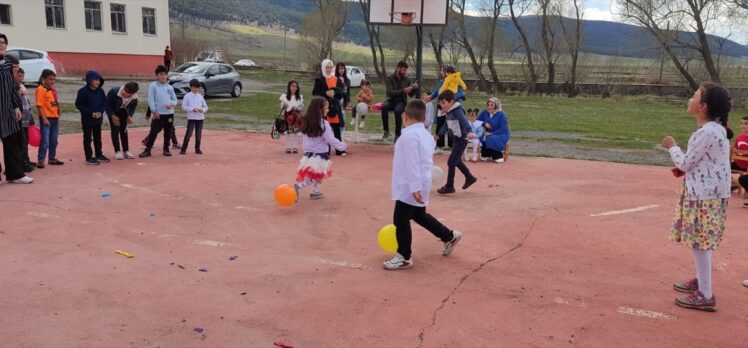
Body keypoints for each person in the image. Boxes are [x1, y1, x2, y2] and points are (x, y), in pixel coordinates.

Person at [663, 83, 732, 312]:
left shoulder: (707, 132)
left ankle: (706, 294)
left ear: (702, 106)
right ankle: (701, 282)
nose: (690, 98)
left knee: (700, 243)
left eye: (694, 96)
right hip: (708, 194)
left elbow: (685, 161)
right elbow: (704, 162)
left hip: (704, 197)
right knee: (701, 242)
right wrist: (686, 170)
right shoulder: (715, 129)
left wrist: (672, 147)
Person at [384, 99, 463, 270]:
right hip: (421, 182)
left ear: (405, 117)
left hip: (411, 185)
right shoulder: (426, 135)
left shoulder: (408, 136)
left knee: (400, 219)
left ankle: (404, 256)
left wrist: (414, 188)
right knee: (419, 215)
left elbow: (412, 163)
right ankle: (449, 236)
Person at [293, 96, 347, 200]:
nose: (328, 110)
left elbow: (304, 138)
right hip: (319, 154)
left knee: (316, 174)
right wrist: (342, 146)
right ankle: (298, 187)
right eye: (326, 108)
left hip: (309, 153)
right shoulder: (324, 124)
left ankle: (315, 191)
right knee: (317, 175)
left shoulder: (306, 122)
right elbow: (331, 139)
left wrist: (306, 150)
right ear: (320, 110)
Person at [0, 35, 33, 184]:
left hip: (7, 111)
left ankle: (15, 174)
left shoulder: (7, 64)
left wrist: (16, 106)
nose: (2, 45)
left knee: (11, 142)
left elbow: (12, 87)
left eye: (4, 42)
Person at [434, 90, 477, 195]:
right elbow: (446, 124)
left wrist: (470, 131)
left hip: (461, 140)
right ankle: (469, 177)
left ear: (452, 102)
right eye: (440, 103)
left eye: (444, 103)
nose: (441, 105)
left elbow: (464, 121)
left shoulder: (457, 111)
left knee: (451, 162)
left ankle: (450, 186)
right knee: (456, 161)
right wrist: (439, 135)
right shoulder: (449, 111)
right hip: (456, 140)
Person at [425, 66, 465, 154]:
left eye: (443, 71)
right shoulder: (441, 82)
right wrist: (430, 97)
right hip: (441, 107)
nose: (441, 72)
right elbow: (436, 92)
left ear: (448, 72)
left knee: (452, 125)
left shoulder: (456, 82)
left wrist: (450, 100)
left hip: (452, 106)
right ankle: (439, 146)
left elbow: (461, 93)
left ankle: (452, 146)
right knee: (440, 124)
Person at [140, 65, 178, 158]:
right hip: (158, 114)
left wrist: (172, 104)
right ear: (157, 75)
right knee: (153, 132)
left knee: (168, 132)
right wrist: (154, 111)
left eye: (165, 74)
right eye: (161, 74)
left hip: (169, 114)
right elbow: (150, 100)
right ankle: (147, 150)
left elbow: (175, 100)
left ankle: (166, 149)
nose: (163, 76)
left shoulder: (170, 87)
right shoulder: (153, 86)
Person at [312, 59, 347, 156]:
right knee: (325, 130)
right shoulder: (319, 80)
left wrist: (335, 93)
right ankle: (325, 149)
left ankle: (339, 150)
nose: (329, 69)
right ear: (323, 68)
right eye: (327, 67)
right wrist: (325, 93)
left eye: (330, 67)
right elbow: (315, 93)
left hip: (335, 108)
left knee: (336, 130)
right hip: (323, 108)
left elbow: (341, 94)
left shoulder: (338, 80)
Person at [75, 71, 110, 165]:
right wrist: (91, 113)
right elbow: (79, 105)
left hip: (98, 119)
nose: (98, 82)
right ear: (89, 80)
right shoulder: (83, 91)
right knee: (87, 138)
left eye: (99, 79)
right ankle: (89, 157)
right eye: (95, 79)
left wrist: (100, 112)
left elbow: (104, 103)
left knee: (98, 138)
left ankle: (99, 155)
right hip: (87, 120)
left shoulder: (101, 91)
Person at [381, 61, 418, 142]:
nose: (405, 72)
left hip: (402, 101)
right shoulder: (390, 78)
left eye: (406, 70)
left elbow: (411, 95)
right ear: (398, 68)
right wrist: (403, 90)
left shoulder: (408, 80)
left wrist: (414, 88)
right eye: (403, 70)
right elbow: (390, 92)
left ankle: (398, 134)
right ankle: (386, 131)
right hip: (391, 100)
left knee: (397, 111)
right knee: (384, 106)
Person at [35, 69, 64, 168]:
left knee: (54, 140)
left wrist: (58, 113)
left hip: (55, 118)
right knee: (45, 140)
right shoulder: (40, 89)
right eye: (50, 79)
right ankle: (41, 160)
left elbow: (54, 103)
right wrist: (44, 119)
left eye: (54, 79)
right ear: (44, 79)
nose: (52, 81)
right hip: (46, 118)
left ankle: (52, 158)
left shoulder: (53, 90)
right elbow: (39, 105)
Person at [106, 82, 139, 160]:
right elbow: (107, 105)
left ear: (132, 94)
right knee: (115, 130)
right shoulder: (114, 92)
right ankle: (117, 151)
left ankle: (126, 151)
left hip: (124, 112)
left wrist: (130, 115)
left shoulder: (134, 98)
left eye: (127, 92)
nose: (124, 92)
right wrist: (112, 116)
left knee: (124, 130)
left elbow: (133, 107)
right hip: (113, 112)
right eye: (124, 89)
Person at [13, 67, 36, 171]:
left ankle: (26, 159)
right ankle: (22, 163)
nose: (21, 78)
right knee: (21, 140)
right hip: (19, 116)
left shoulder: (21, 85)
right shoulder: (13, 87)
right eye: (19, 76)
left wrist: (30, 117)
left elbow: (27, 102)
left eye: (22, 76)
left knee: (25, 139)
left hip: (26, 115)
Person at [478, 97, 510, 163]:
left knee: (491, 138)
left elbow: (502, 128)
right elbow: (478, 120)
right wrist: (484, 123)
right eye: (488, 105)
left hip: (502, 133)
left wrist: (491, 133)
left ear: (496, 105)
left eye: (492, 105)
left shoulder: (502, 114)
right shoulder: (485, 112)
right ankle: (486, 154)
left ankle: (498, 156)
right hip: (489, 133)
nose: (489, 107)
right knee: (483, 136)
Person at [180, 79, 208, 155]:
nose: (197, 89)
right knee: (189, 134)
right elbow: (184, 107)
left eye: (198, 88)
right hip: (191, 118)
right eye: (195, 87)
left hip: (200, 118)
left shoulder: (200, 97)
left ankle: (197, 148)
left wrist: (202, 110)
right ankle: (183, 149)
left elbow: (205, 107)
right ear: (191, 87)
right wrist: (192, 109)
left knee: (198, 134)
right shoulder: (187, 96)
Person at [280, 80, 304, 154]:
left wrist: (297, 108)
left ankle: (295, 147)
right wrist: (284, 105)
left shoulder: (299, 97)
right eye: (293, 86)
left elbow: (302, 107)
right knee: (288, 131)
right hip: (288, 115)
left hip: (296, 116)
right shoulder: (284, 96)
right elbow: (281, 107)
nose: (294, 88)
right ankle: (287, 146)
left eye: (296, 86)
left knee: (296, 131)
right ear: (289, 87)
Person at [335, 62, 350, 128]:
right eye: (340, 68)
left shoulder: (347, 80)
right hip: (336, 101)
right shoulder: (334, 78)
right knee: (336, 120)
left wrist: (348, 102)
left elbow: (348, 92)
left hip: (344, 102)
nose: (341, 70)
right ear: (337, 69)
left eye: (343, 68)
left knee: (342, 120)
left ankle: (341, 136)